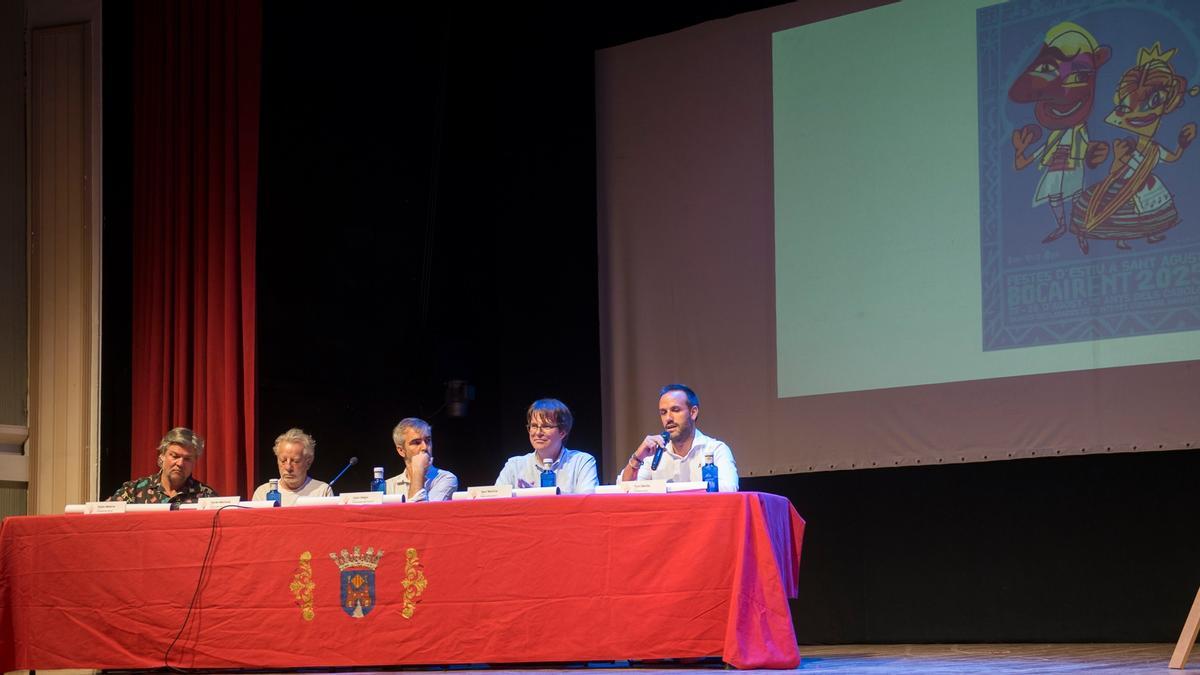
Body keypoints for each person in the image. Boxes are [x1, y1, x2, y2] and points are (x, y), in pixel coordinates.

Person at [618, 384, 739, 492]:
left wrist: (675, 491)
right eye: (663, 412)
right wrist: (637, 458)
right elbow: (624, 489)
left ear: (693, 412)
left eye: (675, 410)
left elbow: (729, 488)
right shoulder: (654, 454)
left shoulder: (716, 449)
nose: (668, 418)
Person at [496, 398, 598, 494]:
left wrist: (538, 495)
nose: (538, 433)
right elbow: (495, 500)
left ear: (562, 432)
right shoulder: (514, 465)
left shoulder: (582, 462)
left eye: (546, 426)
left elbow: (588, 501)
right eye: (534, 426)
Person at [109, 427, 218, 504]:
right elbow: (105, 520)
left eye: (187, 459)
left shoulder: (207, 496)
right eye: (174, 456)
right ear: (162, 456)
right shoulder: (133, 491)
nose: (180, 463)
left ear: (195, 461)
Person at [251, 428, 334, 505]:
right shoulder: (262, 493)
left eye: (295, 461)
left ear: (308, 462)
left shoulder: (322, 491)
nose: (288, 467)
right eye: (283, 460)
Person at [386, 417, 458, 502]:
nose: (425, 447)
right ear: (401, 450)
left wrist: (418, 471)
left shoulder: (446, 478)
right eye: (416, 442)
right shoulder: (388, 486)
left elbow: (420, 510)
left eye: (428, 441)